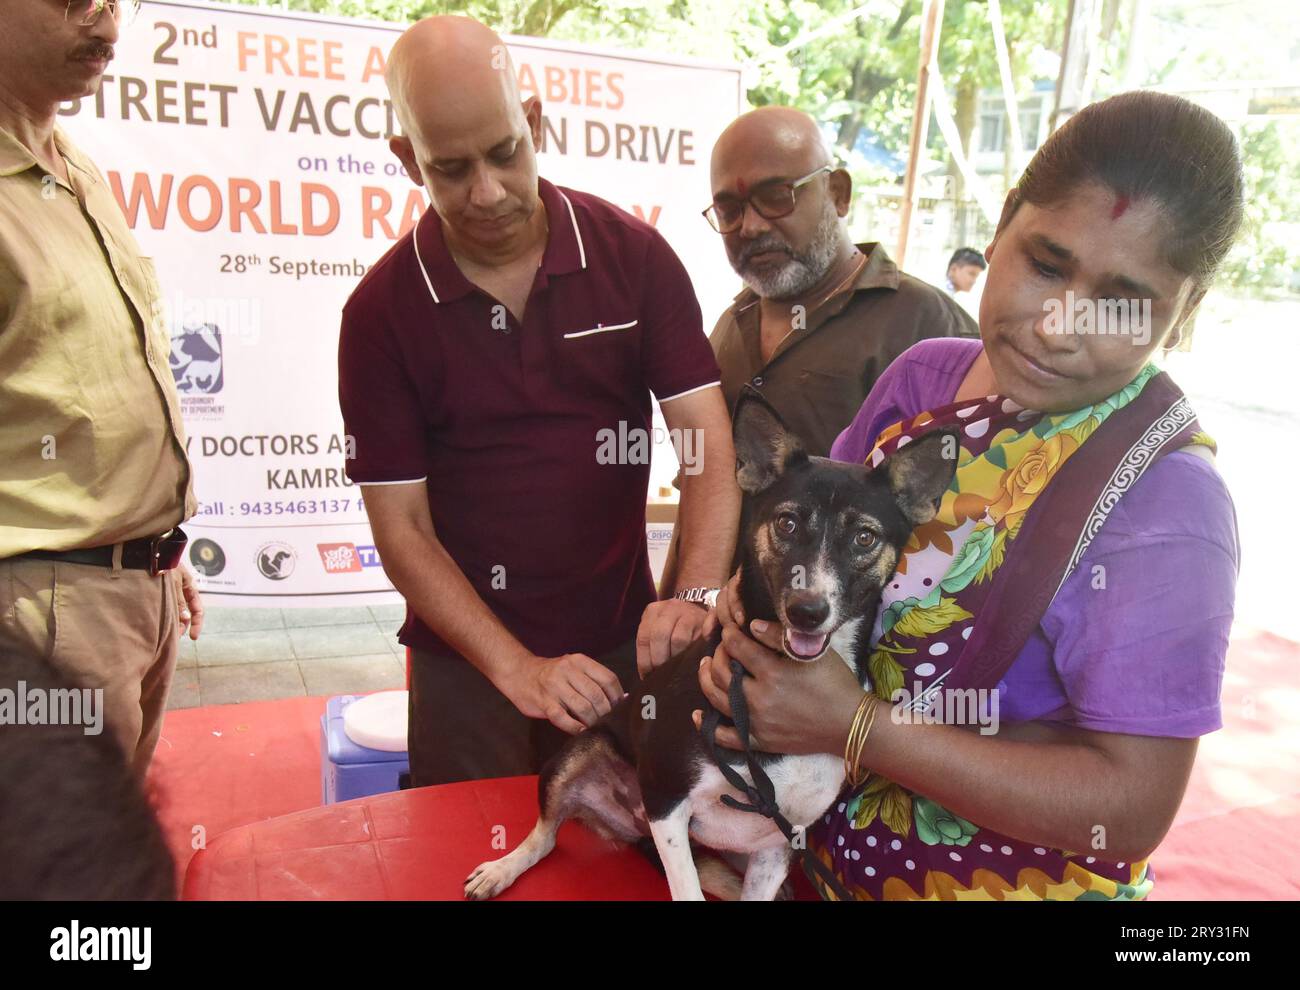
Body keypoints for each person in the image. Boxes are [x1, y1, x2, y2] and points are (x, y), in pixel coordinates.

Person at [697, 90, 1243, 900]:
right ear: (1002, 224)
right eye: (1046, 264)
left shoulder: (1169, 506)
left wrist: (856, 727)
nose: (1060, 325)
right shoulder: (925, 379)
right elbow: (808, 537)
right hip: (818, 858)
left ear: (1185, 310)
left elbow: (1130, 809)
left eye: (1122, 301)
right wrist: (738, 626)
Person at [338, 16, 739, 787]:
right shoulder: (380, 314)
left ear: (535, 122)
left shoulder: (634, 258)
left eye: (504, 154)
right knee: (471, 857)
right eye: (450, 169)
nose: (486, 193)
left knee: (627, 856)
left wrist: (692, 594)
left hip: (621, 642)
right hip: (466, 663)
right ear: (406, 159)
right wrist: (516, 668)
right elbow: (403, 531)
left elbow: (705, 446)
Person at [0, 0, 202, 777]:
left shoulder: (69, 163)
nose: (105, 18)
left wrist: (141, 546)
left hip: (126, 589)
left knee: (108, 860)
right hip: (43, 614)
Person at [705, 107, 978, 460]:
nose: (750, 227)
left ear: (838, 193)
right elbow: (700, 479)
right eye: (729, 211)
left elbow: (978, 487)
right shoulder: (730, 327)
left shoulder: (926, 322)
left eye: (775, 197)